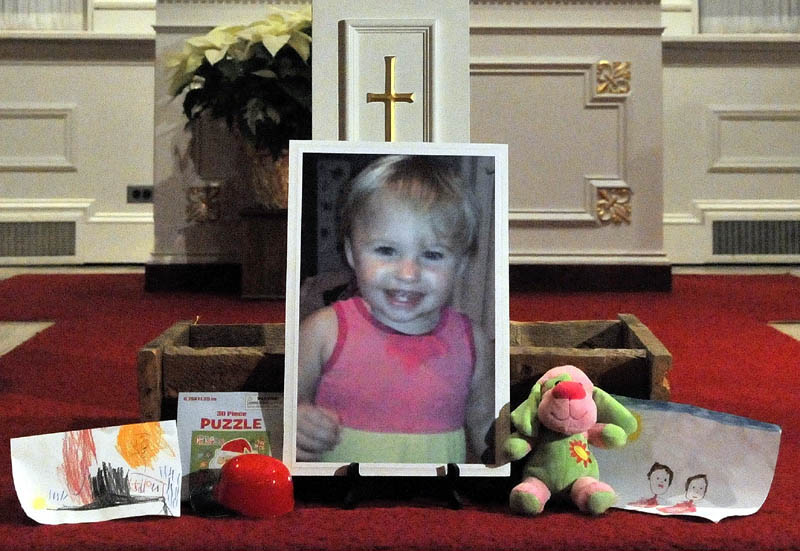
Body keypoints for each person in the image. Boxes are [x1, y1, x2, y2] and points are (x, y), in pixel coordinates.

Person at [295, 155, 494, 464]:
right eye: (386, 250)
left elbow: (487, 431)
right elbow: (286, 407)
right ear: (352, 252)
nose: (407, 274)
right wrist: (298, 420)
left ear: (462, 265)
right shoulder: (323, 330)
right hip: (341, 505)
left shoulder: (472, 341)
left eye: (432, 254)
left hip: (436, 506)